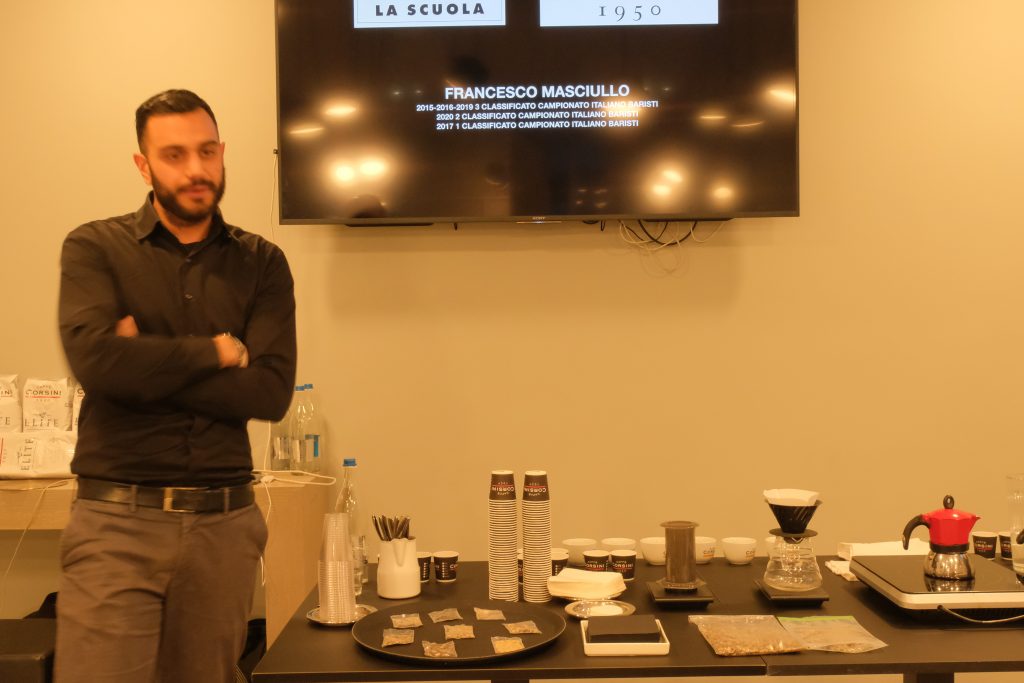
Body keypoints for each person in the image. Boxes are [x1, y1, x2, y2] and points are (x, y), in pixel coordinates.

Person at [56, 89, 297, 683]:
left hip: (224, 527)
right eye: (174, 155)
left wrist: (142, 362)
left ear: (223, 153)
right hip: (117, 523)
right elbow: (96, 364)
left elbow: (269, 394)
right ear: (143, 165)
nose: (196, 170)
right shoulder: (95, 247)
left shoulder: (262, 262)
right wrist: (214, 352)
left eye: (207, 151)